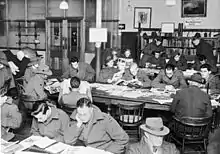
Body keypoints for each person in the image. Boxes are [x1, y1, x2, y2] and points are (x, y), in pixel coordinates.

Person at [64, 98, 129, 154]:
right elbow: (68, 141)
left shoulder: (105, 119)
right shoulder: (75, 118)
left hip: (103, 150)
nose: (82, 117)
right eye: (80, 114)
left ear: (91, 110)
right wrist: (78, 125)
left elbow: (123, 139)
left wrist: (108, 152)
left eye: (85, 114)